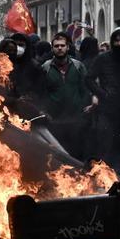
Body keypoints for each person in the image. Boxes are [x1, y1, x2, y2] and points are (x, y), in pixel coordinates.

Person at [86, 28, 120, 175]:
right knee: (106, 146)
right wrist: (102, 94)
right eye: (116, 41)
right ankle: (105, 177)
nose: (119, 44)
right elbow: (89, 79)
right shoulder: (102, 59)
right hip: (107, 110)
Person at [40, 32, 92, 160]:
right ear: (52, 48)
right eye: (56, 46)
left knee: (77, 155)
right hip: (55, 121)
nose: (59, 48)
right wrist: (44, 110)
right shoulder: (45, 68)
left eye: (62, 45)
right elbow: (41, 92)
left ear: (68, 47)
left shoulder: (78, 66)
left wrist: (86, 105)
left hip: (76, 120)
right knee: (58, 156)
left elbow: (86, 89)